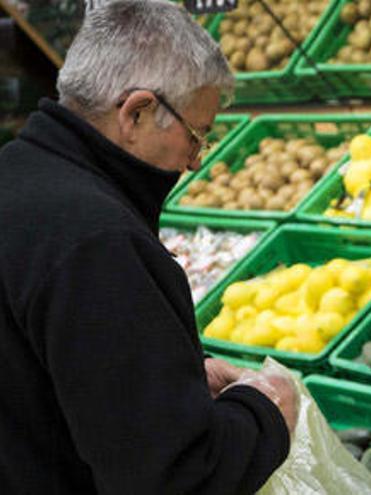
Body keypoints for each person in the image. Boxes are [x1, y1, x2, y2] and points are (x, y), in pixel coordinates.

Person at [0, 0, 299, 493]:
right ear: (137, 111)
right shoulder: (99, 243)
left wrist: (160, 375)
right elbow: (174, 477)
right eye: (197, 136)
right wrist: (265, 412)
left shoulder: (16, 174)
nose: (195, 163)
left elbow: (38, 375)